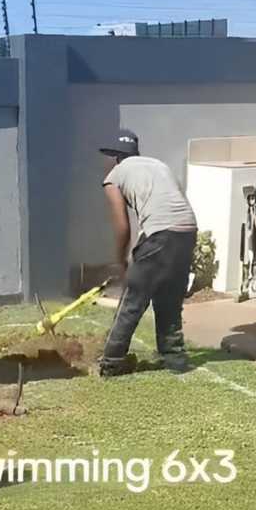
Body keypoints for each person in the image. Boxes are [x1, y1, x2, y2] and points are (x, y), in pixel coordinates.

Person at [97, 130, 198, 376]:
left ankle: (112, 361)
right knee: (170, 297)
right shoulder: (158, 165)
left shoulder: (114, 176)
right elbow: (169, 205)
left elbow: (122, 226)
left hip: (161, 233)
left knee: (133, 299)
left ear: (114, 157)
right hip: (187, 230)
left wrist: (119, 260)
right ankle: (174, 357)